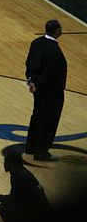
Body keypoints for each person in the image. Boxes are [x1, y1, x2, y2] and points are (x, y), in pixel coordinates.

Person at [24, 19, 67, 161]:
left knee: (37, 115)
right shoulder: (54, 51)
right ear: (57, 31)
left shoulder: (36, 42)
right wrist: (38, 84)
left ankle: (30, 146)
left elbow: (29, 62)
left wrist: (31, 80)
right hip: (51, 91)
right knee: (48, 120)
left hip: (37, 88)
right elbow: (49, 73)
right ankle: (41, 152)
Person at [0, 152, 50, 222]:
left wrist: (1, 198)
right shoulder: (21, 172)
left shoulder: (19, 176)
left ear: (11, 163)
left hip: (36, 211)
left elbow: (14, 198)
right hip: (39, 207)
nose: (4, 164)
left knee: (3, 207)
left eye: (5, 162)